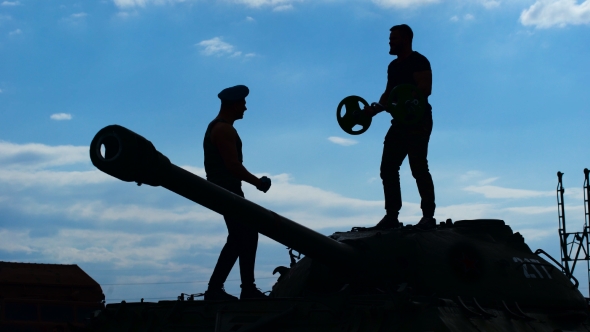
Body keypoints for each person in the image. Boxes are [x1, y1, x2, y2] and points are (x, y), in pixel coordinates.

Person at [363, 24, 436, 230]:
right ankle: (392, 216)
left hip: (418, 120)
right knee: (388, 168)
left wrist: (408, 97)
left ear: (405, 39)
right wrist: (374, 109)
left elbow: (425, 89)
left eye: (394, 39)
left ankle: (428, 217)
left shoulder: (419, 61)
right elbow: (388, 95)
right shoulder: (393, 67)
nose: (390, 42)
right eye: (390, 39)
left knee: (418, 167)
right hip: (399, 123)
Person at [203, 85, 272, 300]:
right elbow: (232, 166)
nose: (245, 108)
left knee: (241, 235)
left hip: (224, 189)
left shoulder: (219, 127)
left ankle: (234, 288)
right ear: (234, 105)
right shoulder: (224, 130)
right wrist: (257, 182)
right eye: (242, 104)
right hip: (226, 190)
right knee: (244, 234)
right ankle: (233, 289)